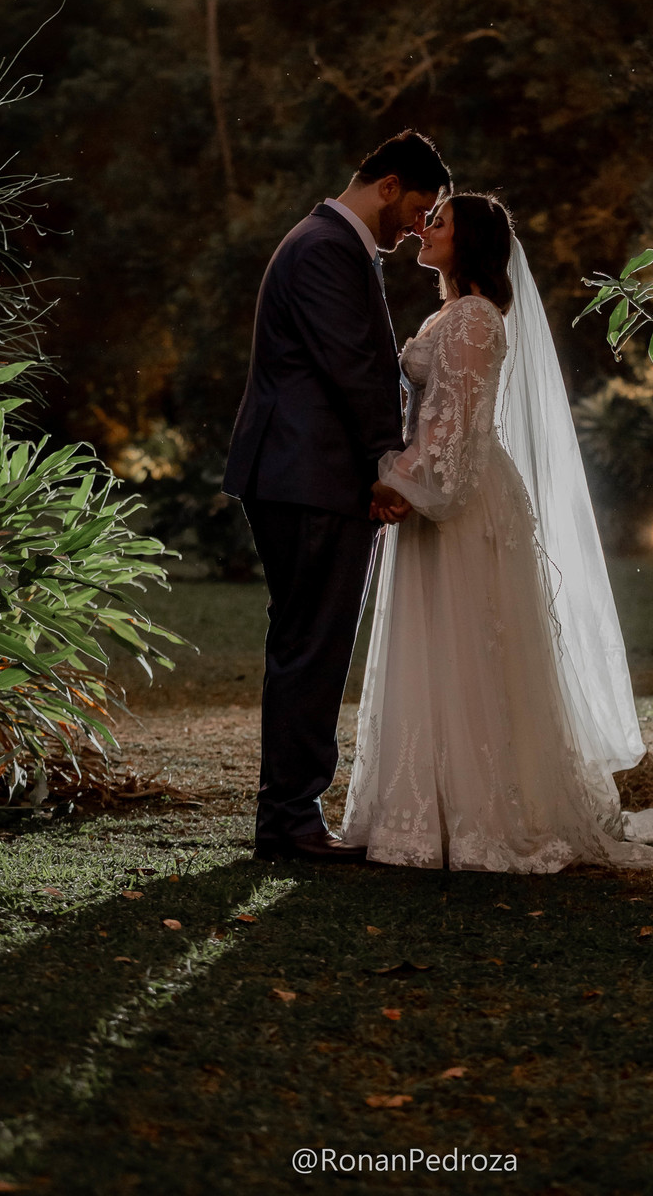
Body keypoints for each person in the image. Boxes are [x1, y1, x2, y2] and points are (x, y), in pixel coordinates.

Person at [343, 193, 653, 873]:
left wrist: (399, 483)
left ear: (470, 242)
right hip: (439, 492)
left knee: (469, 646)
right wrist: (406, 477)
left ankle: (485, 813)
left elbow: (455, 426)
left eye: (439, 222)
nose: (424, 230)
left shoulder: (473, 318)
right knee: (443, 645)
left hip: (461, 501)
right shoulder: (449, 313)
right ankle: (428, 806)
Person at [223, 130, 452, 862]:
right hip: (310, 476)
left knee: (307, 644)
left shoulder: (326, 242)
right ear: (388, 186)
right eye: (417, 209)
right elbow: (354, 368)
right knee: (313, 647)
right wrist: (389, 465)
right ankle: (290, 822)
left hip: (303, 474)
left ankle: (289, 816)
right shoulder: (326, 247)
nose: (416, 227)